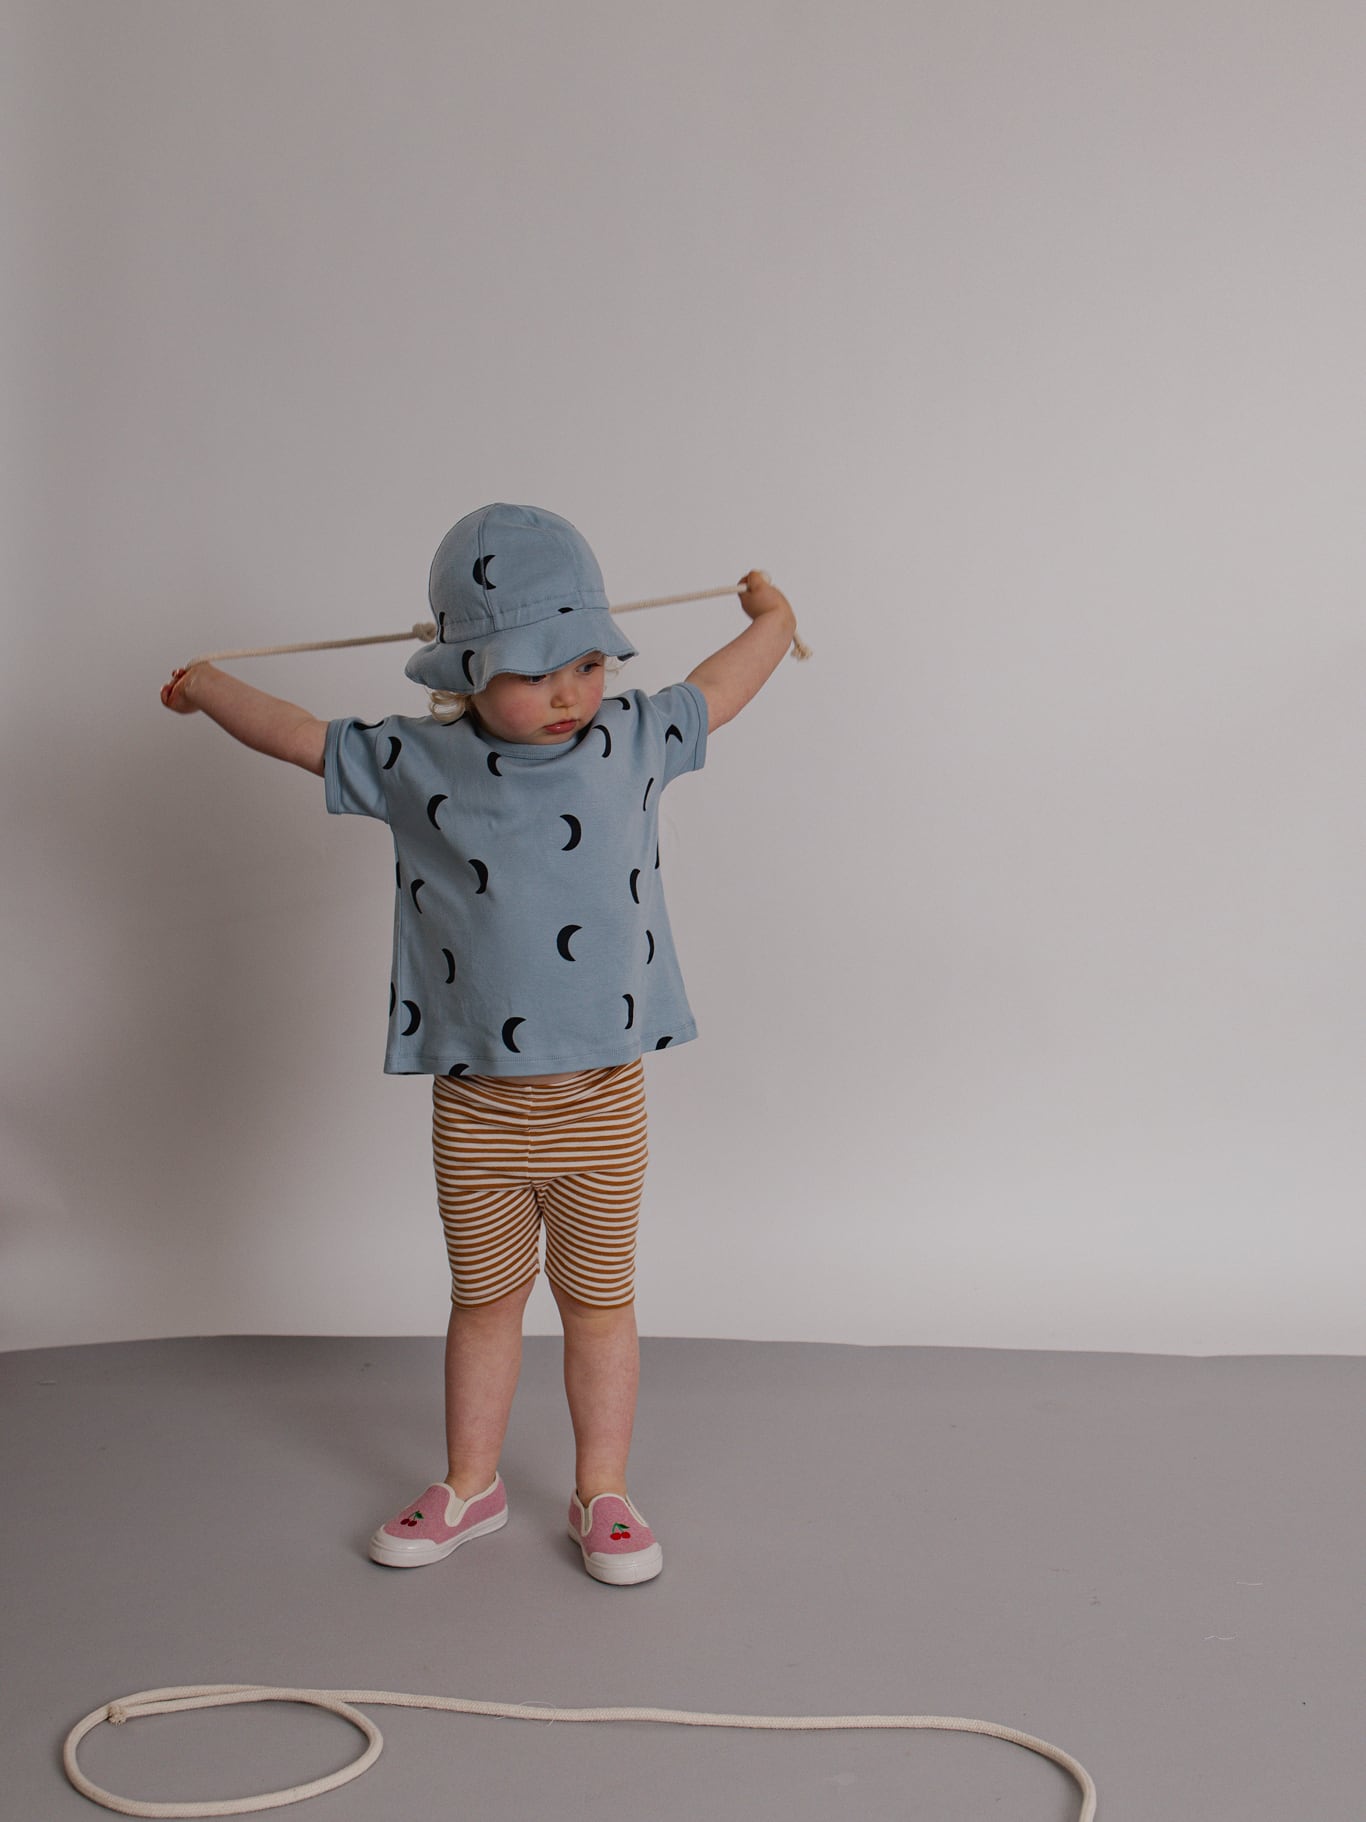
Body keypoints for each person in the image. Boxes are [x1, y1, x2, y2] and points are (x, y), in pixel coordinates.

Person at [160, 503, 796, 1586]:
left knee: (599, 1304)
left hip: (601, 1101)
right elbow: (299, 735)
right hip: (477, 1105)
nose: (569, 693)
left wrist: (772, 618)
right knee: (485, 1302)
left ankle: (603, 1489)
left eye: (586, 663)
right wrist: (210, 687)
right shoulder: (417, 761)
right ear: (462, 669)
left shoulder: (634, 738)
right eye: (534, 671)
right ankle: (471, 1483)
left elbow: (721, 686)